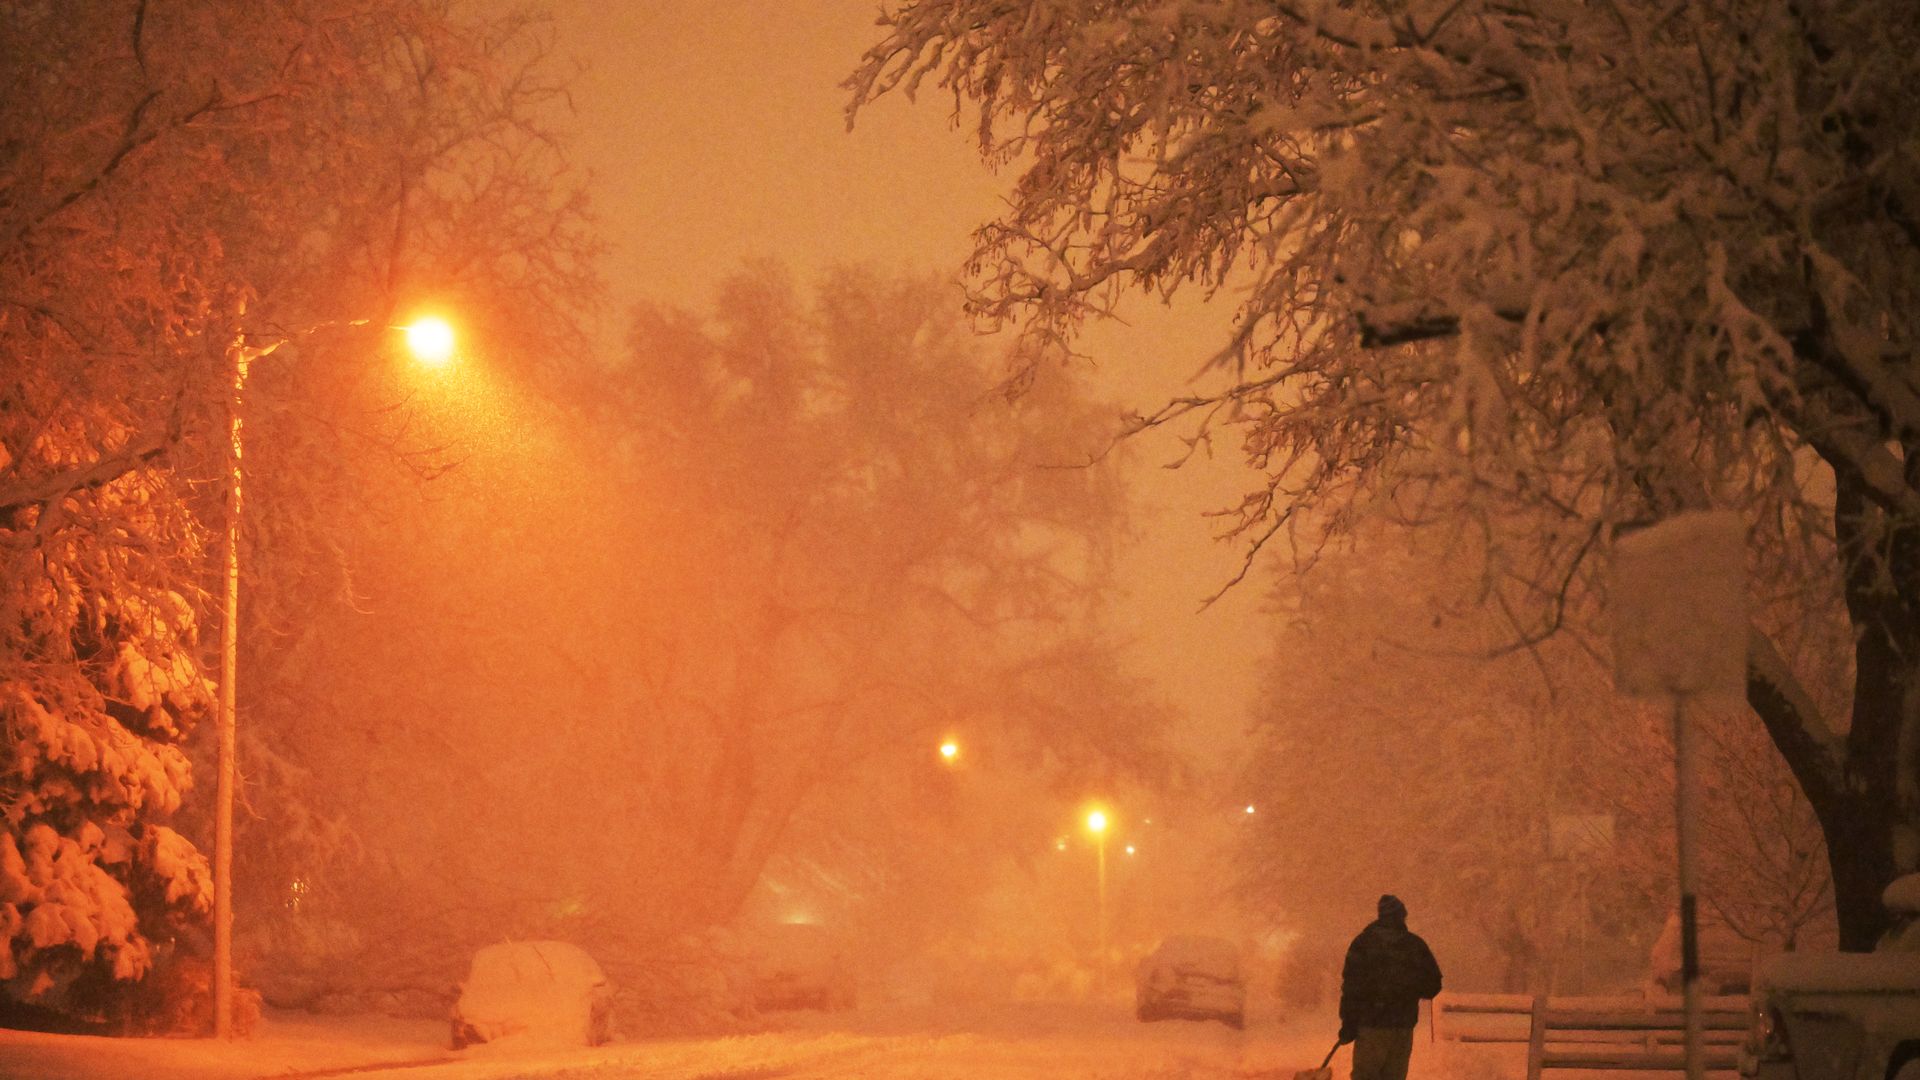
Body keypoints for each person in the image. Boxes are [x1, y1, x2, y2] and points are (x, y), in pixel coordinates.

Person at [1338, 894, 1443, 1080]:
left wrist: (1348, 1022)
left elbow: (1351, 988)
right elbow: (1433, 985)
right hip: (1402, 1026)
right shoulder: (1415, 946)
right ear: (1402, 916)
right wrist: (1408, 989)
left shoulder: (1363, 944)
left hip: (1370, 1025)